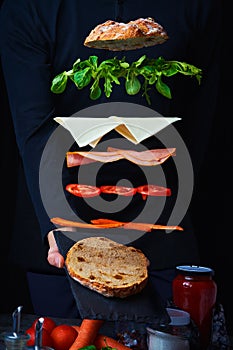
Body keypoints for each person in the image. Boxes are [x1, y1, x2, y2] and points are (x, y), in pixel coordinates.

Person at [0, 0, 222, 319]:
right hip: (57, 234)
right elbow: (34, 127)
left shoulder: (199, 8)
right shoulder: (29, 7)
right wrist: (56, 226)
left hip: (163, 232)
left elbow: (198, 128)